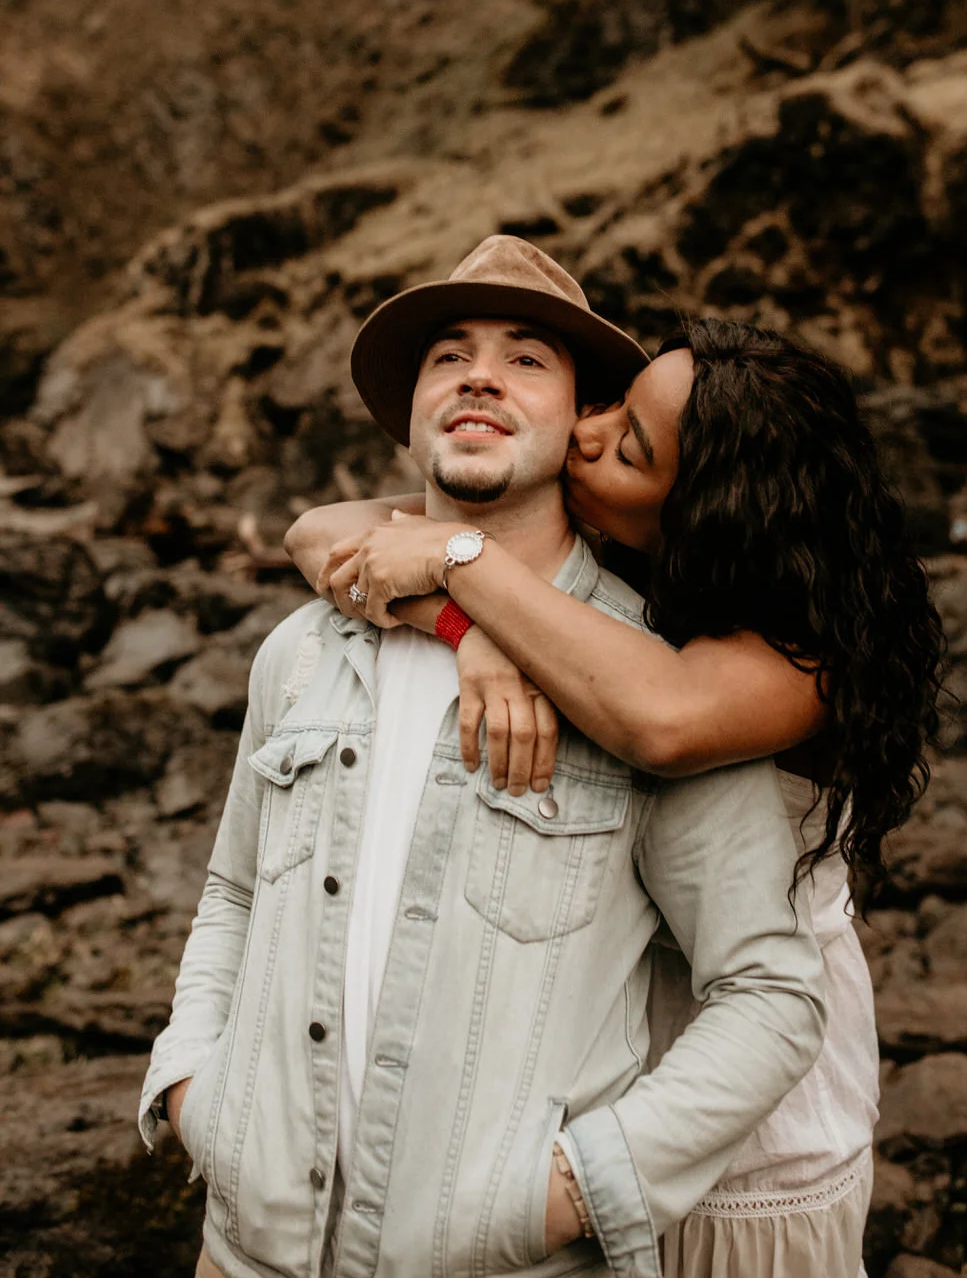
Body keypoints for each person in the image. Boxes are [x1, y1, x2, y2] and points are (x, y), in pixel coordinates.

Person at [140, 235, 827, 1278]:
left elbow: (769, 993)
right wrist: (197, 1090)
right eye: (447, 354)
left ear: (577, 421)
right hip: (247, 1251)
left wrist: (570, 1188)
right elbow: (232, 897)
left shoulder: (653, 672)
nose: (477, 375)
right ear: (408, 410)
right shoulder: (299, 652)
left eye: (525, 359)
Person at [287, 274, 944, 1278]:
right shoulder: (626, 563)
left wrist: (460, 561)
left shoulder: (797, 659)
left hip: (749, 1110)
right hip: (596, 1071)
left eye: (629, 447)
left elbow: (656, 718)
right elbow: (325, 532)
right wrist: (466, 629)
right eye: (605, 409)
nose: (587, 437)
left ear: (703, 513)